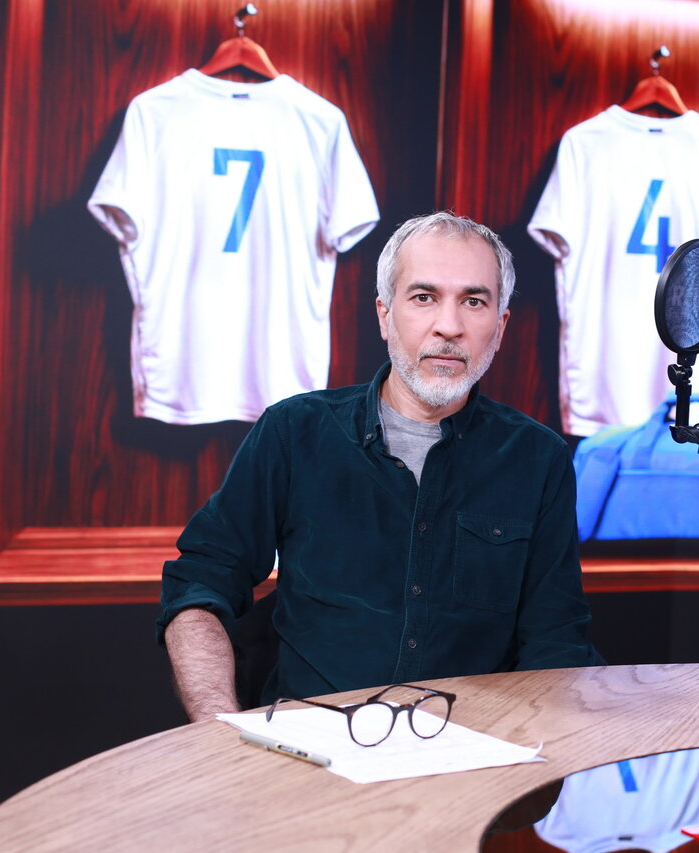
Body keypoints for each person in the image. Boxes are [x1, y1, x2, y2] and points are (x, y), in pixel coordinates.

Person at [158, 211, 602, 720]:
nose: (449, 326)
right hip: (306, 750)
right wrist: (217, 724)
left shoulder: (538, 459)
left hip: (471, 752)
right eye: (424, 297)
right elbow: (200, 583)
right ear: (384, 315)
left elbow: (555, 640)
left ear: (499, 328)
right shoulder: (294, 431)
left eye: (474, 302)